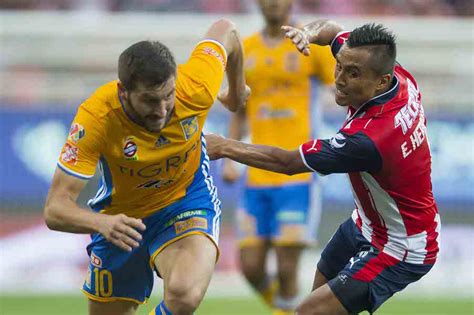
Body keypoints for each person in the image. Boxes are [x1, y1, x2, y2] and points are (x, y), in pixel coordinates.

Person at [206, 20, 440, 315]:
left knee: (308, 311)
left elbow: (288, 163)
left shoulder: (370, 138)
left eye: (352, 74)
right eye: (339, 66)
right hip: (365, 224)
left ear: (380, 81)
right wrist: (308, 34)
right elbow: (331, 31)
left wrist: (224, 146)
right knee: (318, 303)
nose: (339, 78)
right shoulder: (397, 77)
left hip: (401, 246)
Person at [44, 18, 249, 315]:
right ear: (123, 92)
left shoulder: (196, 87)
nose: (163, 110)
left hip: (184, 201)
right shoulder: (96, 118)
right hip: (121, 220)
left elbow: (227, 29)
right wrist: (102, 223)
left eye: (168, 96)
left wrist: (235, 91)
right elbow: (55, 209)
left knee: (184, 293)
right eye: (150, 101)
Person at [222, 1, 335, 314]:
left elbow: (344, 86)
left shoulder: (309, 44)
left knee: (287, 269)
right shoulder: (247, 49)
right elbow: (239, 109)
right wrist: (230, 156)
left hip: (299, 171)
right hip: (256, 172)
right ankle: (290, 311)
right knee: (250, 266)